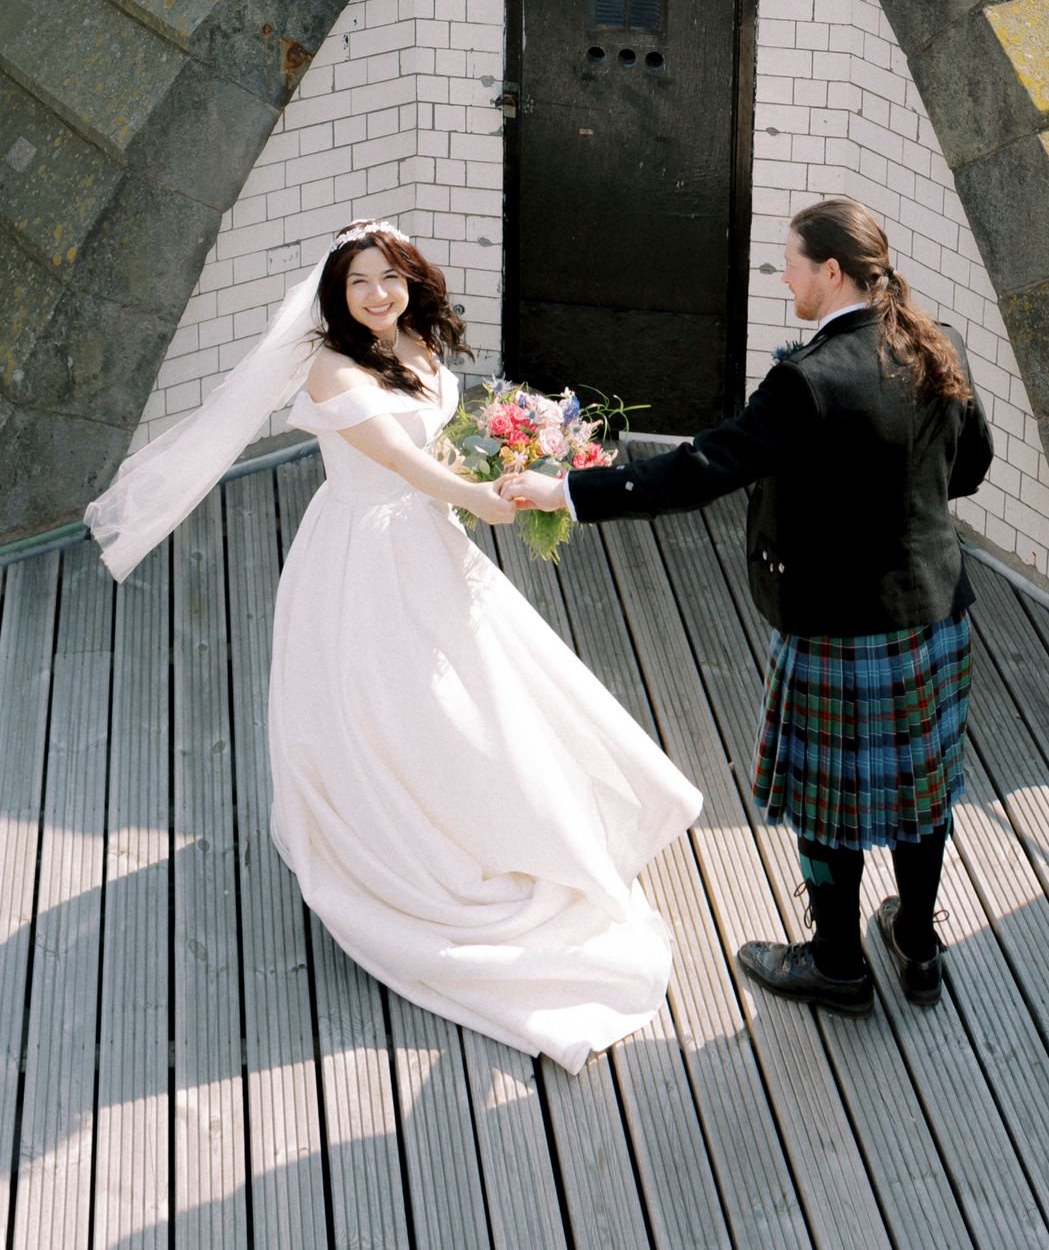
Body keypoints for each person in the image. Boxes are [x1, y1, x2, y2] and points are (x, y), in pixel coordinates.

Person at [84, 220, 701, 1074]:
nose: (379, 294)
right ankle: (414, 839)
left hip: (425, 538)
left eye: (391, 278)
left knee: (479, 684)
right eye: (359, 284)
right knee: (401, 698)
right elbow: (413, 468)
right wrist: (487, 497)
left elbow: (439, 437)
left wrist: (508, 455)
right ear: (335, 296)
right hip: (369, 549)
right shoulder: (330, 368)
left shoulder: (409, 338)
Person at [510, 195, 992, 1012]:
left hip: (841, 628)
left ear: (830, 270)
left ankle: (838, 962)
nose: (785, 277)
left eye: (791, 263)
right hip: (939, 613)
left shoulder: (807, 381)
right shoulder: (933, 345)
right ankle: (917, 942)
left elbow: (701, 468)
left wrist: (567, 489)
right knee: (924, 788)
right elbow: (969, 466)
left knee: (827, 802)